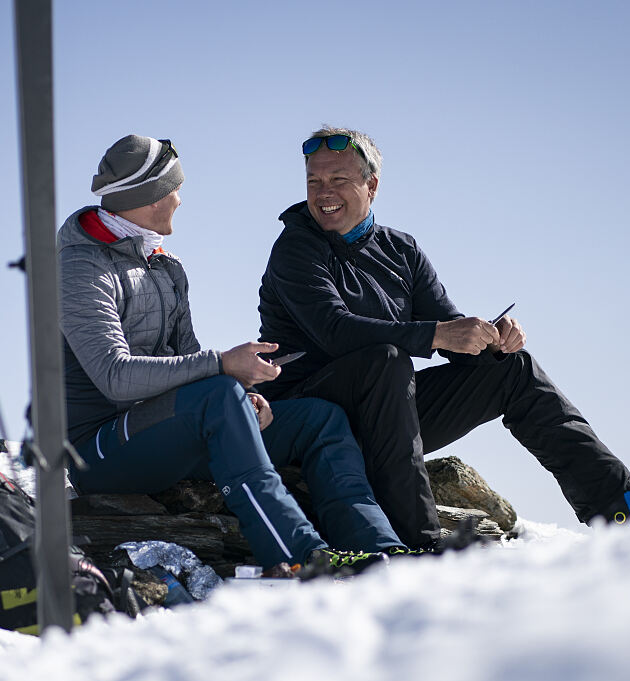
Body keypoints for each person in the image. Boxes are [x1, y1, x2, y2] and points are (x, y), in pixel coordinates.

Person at [257, 125, 630, 549]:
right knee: (387, 359)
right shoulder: (296, 247)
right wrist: (440, 334)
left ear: (371, 186)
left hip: (386, 411)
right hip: (309, 411)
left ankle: (619, 504)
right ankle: (418, 541)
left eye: (338, 180)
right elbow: (337, 332)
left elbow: (448, 332)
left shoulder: (402, 250)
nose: (324, 194)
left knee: (511, 370)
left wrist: (490, 342)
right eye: (314, 182)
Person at [59, 134, 420, 577]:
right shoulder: (80, 266)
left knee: (318, 419)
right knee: (217, 395)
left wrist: (239, 393)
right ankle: (301, 558)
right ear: (152, 194)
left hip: (165, 431)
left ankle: (376, 549)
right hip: (97, 449)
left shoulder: (165, 266)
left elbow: (189, 365)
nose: (179, 199)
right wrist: (222, 367)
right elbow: (113, 376)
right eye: (175, 189)